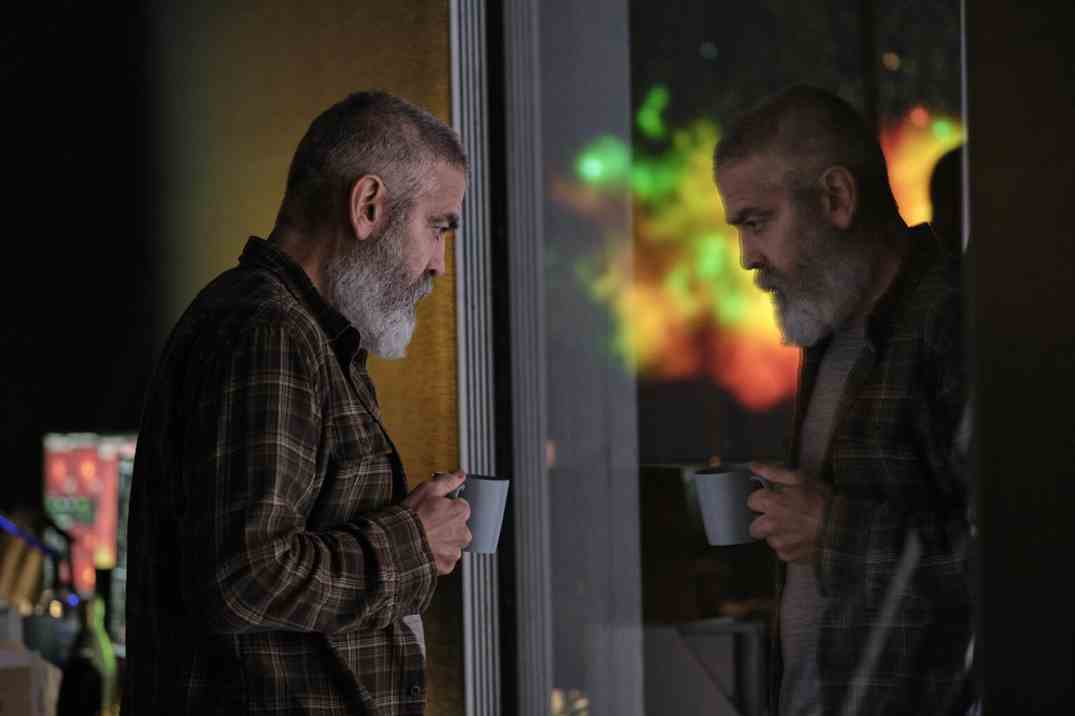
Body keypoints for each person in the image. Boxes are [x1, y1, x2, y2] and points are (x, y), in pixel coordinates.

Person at [122, 91, 473, 715]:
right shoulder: (267, 333)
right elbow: (244, 577)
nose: (439, 266)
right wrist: (413, 543)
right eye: (437, 227)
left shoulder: (299, 332)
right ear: (368, 206)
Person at [712, 86, 973, 715]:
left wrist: (831, 530)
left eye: (756, 222)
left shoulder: (954, 324)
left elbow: (1024, 568)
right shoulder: (832, 328)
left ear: (836, 197)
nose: (746, 257)